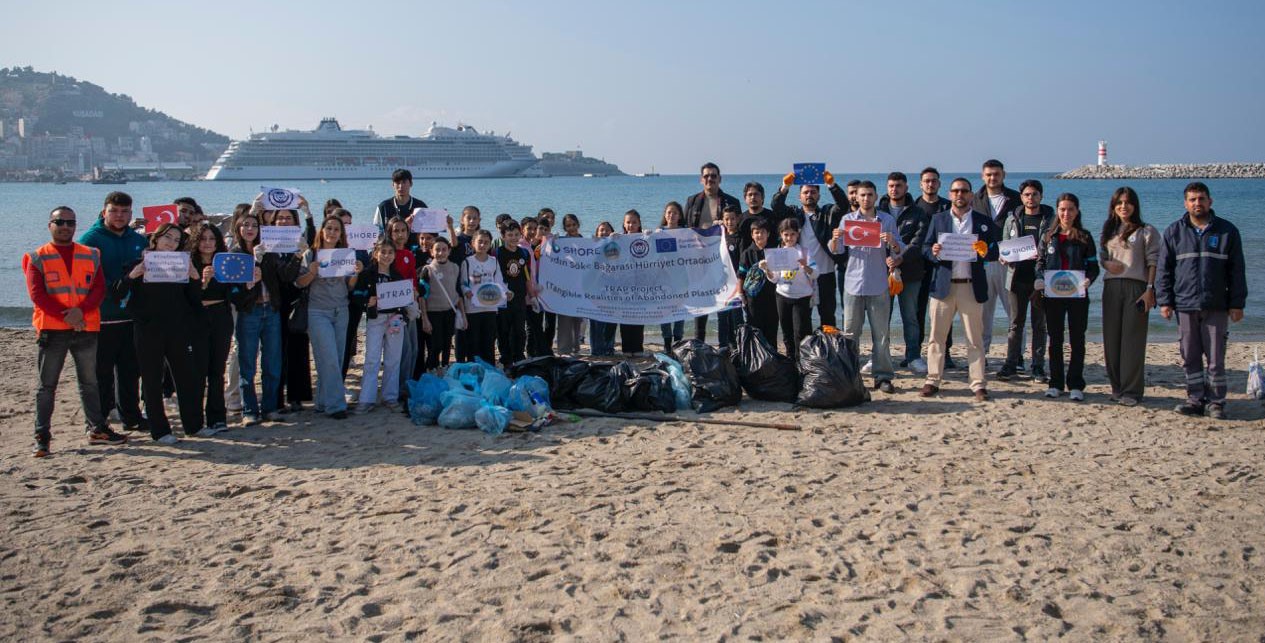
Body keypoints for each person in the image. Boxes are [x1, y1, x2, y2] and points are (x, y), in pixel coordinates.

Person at [25, 206, 125, 456]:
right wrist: (69, 316)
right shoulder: (37, 257)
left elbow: (99, 289)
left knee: (89, 382)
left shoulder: (91, 254)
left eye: (70, 223)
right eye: (60, 222)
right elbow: (37, 295)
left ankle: (97, 428)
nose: (65, 227)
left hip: (85, 328)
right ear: (50, 225)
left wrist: (80, 312)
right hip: (52, 330)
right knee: (47, 386)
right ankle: (42, 436)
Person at [1157, 182, 1248, 420]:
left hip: (1216, 304)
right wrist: (1165, 301)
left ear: (1210, 201)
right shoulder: (1174, 232)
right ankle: (1195, 399)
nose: (1197, 203)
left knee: (1216, 358)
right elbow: (1164, 270)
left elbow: (1237, 271)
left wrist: (1237, 304)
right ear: (1185, 203)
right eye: (1192, 199)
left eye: (1201, 199)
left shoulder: (1227, 231)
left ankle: (1216, 402)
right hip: (1185, 304)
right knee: (1190, 356)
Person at [113, 223, 204, 443]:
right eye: (167, 237)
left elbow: (194, 301)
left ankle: (193, 426)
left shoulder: (182, 264)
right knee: (152, 380)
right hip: (148, 329)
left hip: (177, 329)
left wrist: (195, 278)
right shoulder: (138, 263)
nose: (171, 243)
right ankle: (160, 431)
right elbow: (117, 293)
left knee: (186, 377)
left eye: (176, 240)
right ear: (156, 238)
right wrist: (133, 275)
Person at [920, 178, 999, 401]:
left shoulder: (983, 221)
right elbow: (925, 248)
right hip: (943, 286)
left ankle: (978, 383)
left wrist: (985, 251)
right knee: (937, 337)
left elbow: (995, 250)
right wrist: (933, 252)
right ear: (950, 194)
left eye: (964, 191)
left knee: (974, 339)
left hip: (971, 287)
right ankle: (933, 380)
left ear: (971, 195)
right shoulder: (939, 219)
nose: (959, 195)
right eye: (955, 191)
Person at [79, 191, 148, 433]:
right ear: (104, 212)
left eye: (124, 211)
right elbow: (85, 280)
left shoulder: (137, 240)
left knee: (130, 370)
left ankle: (131, 416)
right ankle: (98, 422)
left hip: (131, 316)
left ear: (131, 213)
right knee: (101, 373)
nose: (119, 216)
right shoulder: (91, 239)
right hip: (101, 316)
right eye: (114, 211)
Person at [830, 180, 903, 393]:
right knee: (850, 334)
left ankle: (883, 376)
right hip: (853, 284)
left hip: (878, 283)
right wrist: (835, 239)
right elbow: (836, 250)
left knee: (881, 334)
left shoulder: (887, 220)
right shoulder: (847, 220)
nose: (866, 198)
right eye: (862, 195)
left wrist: (892, 242)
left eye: (870, 194)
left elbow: (899, 249)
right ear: (856, 197)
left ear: (875, 196)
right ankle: (850, 376)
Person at [230, 212, 298, 425]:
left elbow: (286, 276)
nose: (250, 229)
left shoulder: (269, 250)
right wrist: (254, 261)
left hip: (272, 311)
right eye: (246, 225)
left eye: (254, 225)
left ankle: (269, 408)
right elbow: (233, 287)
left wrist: (298, 256)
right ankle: (249, 410)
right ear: (239, 229)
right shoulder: (235, 253)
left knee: (272, 362)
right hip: (249, 312)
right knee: (247, 363)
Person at [1033, 193, 1099, 401]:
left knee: (1077, 339)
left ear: (1077, 211)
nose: (1066, 213)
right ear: (1057, 211)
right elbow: (1040, 263)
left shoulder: (1085, 237)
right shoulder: (1048, 236)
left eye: (1070, 209)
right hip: (1053, 296)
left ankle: (1076, 384)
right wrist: (1039, 279)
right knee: (1055, 340)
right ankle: (1056, 383)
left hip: (1078, 296)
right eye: (1062, 209)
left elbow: (1094, 267)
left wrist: (1089, 280)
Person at [295, 215, 363, 419]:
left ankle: (323, 401)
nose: (332, 232)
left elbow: (349, 286)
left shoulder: (345, 254)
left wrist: (356, 273)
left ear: (341, 234)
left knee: (336, 358)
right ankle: (336, 405)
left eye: (336, 229)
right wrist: (312, 272)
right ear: (322, 230)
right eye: (329, 228)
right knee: (329, 358)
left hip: (341, 310)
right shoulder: (311, 254)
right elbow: (299, 283)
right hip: (318, 311)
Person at [1100, 187, 1160, 407]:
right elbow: (1102, 257)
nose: (1123, 206)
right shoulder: (1109, 230)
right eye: (1119, 202)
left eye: (1127, 202)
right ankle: (1117, 387)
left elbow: (1153, 262)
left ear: (1135, 205)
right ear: (1113, 206)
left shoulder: (1146, 231)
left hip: (1137, 287)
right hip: (1111, 287)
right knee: (1111, 340)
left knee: (1132, 340)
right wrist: (1106, 264)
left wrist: (1150, 289)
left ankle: (1132, 391)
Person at [770, 170, 849, 328]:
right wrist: (785, 186)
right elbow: (776, 206)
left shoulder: (827, 213)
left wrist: (831, 185)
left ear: (819, 195)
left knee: (827, 316)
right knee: (803, 319)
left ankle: (828, 344)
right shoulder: (793, 214)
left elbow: (843, 205)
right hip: (800, 275)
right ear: (799, 196)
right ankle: (806, 344)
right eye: (805, 192)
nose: (809, 195)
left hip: (825, 273)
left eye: (813, 192)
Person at [356, 240, 424, 413]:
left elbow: (407, 297)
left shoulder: (397, 275)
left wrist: (413, 294)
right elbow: (356, 296)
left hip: (395, 319)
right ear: (375, 253)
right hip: (375, 319)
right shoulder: (367, 274)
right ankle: (366, 399)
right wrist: (367, 301)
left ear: (394, 255)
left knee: (393, 359)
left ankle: (390, 397)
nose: (386, 256)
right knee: (372, 359)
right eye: (383, 252)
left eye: (390, 252)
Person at [997, 180, 1055, 382]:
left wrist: (1044, 256)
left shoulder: (1051, 220)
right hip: (1016, 279)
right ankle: (1011, 364)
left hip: (1040, 280)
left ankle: (1038, 366)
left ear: (1041, 196)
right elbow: (1005, 245)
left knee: (1039, 325)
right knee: (1015, 325)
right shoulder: (1012, 218)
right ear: (1021, 197)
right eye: (1027, 195)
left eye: (1035, 194)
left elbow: (1056, 248)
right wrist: (1003, 256)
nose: (1031, 198)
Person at [684, 163, 742, 342]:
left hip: (724, 260)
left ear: (720, 179)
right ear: (701, 179)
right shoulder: (692, 201)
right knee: (701, 303)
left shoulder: (732, 202)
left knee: (727, 303)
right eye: (706, 176)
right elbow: (684, 229)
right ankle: (699, 343)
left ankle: (729, 345)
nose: (710, 179)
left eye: (714, 176)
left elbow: (737, 230)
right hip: (699, 260)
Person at [879, 172, 930, 373]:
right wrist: (887, 259)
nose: (894, 189)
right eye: (891, 185)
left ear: (906, 187)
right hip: (882, 273)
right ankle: (881, 356)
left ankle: (913, 357)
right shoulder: (878, 211)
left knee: (910, 317)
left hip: (911, 272)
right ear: (887, 187)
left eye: (898, 185)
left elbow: (918, 242)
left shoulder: (918, 212)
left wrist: (900, 258)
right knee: (882, 317)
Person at [187, 222, 235, 436]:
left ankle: (217, 418)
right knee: (197, 371)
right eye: (203, 239)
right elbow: (186, 297)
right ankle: (195, 419)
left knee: (217, 370)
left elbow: (233, 292)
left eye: (212, 239)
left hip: (220, 317)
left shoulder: (224, 262)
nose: (207, 243)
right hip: (196, 318)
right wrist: (203, 282)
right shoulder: (189, 263)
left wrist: (249, 283)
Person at [976, 159, 1022, 361]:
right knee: (982, 314)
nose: (992, 178)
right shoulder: (974, 199)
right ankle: (981, 355)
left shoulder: (1016, 198)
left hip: (1009, 264)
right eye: (988, 174)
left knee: (1014, 313)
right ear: (982, 176)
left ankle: (1017, 357)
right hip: (983, 263)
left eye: (996, 174)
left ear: (1004, 175)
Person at [271, 207, 313, 413]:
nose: (284, 221)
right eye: (280, 218)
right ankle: (276, 399)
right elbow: (284, 275)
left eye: (288, 218)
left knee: (298, 349)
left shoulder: (300, 242)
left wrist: (308, 214)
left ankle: (297, 397)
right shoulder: (268, 244)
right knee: (276, 351)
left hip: (297, 301)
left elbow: (313, 238)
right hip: (275, 303)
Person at [913, 167, 954, 370]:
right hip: (918, 266)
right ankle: (916, 352)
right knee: (918, 311)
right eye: (927, 181)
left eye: (934, 181)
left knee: (945, 311)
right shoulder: (914, 207)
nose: (930, 184)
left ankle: (946, 353)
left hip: (943, 266)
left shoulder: (948, 207)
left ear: (939, 183)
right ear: (921, 184)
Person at [763, 218, 816, 359]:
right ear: (781, 235)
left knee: (800, 332)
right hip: (782, 296)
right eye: (786, 234)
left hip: (801, 297)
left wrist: (806, 266)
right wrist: (767, 269)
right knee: (786, 333)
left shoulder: (804, 252)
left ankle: (802, 361)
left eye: (792, 234)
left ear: (798, 234)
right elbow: (774, 278)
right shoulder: (778, 253)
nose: (789, 238)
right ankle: (791, 361)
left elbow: (816, 274)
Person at [385, 216, 421, 392]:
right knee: (403, 349)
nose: (400, 234)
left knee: (413, 348)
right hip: (395, 309)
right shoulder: (387, 255)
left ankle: (407, 384)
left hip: (410, 305)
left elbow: (413, 279)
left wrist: (415, 293)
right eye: (396, 231)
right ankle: (400, 388)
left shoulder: (408, 254)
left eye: (403, 230)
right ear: (390, 233)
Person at [460, 229, 505, 365]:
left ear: (490, 244)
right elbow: (462, 283)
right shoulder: (467, 262)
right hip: (473, 308)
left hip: (490, 307)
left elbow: (499, 282)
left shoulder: (494, 261)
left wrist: (506, 292)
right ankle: (473, 368)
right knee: (473, 341)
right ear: (473, 243)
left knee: (489, 341)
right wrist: (467, 291)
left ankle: (489, 368)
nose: (483, 245)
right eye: (480, 242)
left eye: (486, 242)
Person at [421, 237, 462, 371]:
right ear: (431, 252)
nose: (441, 253)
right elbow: (422, 297)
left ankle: (445, 367)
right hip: (433, 313)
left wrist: (463, 315)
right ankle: (431, 368)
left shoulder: (455, 267)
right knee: (435, 345)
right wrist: (425, 319)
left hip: (450, 311)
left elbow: (457, 292)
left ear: (449, 251)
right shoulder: (427, 270)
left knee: (447, 343)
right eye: (437, 249)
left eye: (444, 249)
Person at [738, 216, 779, 346]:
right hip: (753, 298)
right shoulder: (747, 253)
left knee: (772, 328)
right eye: (756, 232)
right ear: (752, 235)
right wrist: (740, 294)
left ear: (768, 234)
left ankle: (772, 355)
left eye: (762, 232)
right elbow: (741, 275)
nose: (759, 235)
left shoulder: (774, 251)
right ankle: (757, 355)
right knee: (755, 329)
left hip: (772, 296)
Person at [496, 221, 531, 367]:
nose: (514, 238)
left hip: (520, 297)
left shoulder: (524, 253)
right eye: (510, 235)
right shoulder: (497, 253)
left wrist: (530, 294)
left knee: (519, 329)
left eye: (517, 234)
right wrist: (503, 291)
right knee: (503, 329)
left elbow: (527, 275)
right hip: (503, 298)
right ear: (503, 236)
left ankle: (519, 356)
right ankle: (505, 358)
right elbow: (494, 275)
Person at [553, 214, 586, 355]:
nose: (571, 228)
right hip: (564, 286)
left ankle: (575, 347)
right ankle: (563, 349)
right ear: (564, 228)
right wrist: (552, 241)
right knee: (564, 319)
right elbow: (552, 255)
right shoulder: (561, 242)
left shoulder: (586, 242)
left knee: (578, 319)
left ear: (578, 224)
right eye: (568, 226)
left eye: (573, 224)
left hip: (580, 285)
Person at [716, 204, 746, 349]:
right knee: (722, 316)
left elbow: (742, 262)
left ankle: (738, 346)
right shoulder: (719, 237)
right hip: (721, 284)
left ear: (738, 219)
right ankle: (723, 346)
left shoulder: (741, 238)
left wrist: (740, 285)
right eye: (726, 219)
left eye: (732, 219)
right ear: (722, 220)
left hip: (736, 284)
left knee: (736, 317)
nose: (729, 222)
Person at [657, 201, 687, 348]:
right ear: (665, 215)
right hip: (663, 277)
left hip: (681, 276)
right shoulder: (659, 232)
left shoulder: (686, 232)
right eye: (669, 212)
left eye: (675, 212)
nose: (672, 215)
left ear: (680, 215)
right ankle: (667, 341)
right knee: (664, 310)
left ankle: (678, 339)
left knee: (680, 309)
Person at [617, 210, 645, 354]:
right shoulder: (619, 239)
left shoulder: (645, 238)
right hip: (624, 285)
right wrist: (610, 239)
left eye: (634, 222)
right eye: (628, 222)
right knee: (625, 317)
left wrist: (653, 235)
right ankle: (627, 348)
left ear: (639, 223)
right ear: (624, 224)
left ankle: (638, 348)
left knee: (639, 316)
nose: (631, 225)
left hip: (641, 285)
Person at [589, 221, 618, 356]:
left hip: (613, 287)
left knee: (611, 319)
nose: (604, 232)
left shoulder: (616, 245)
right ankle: (596, 349)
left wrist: (616, 240)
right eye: (601, 230)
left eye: (607, 230)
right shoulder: (591, 246)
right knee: (596, 320)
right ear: (597, 233)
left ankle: (609, 347)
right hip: (595, 288)